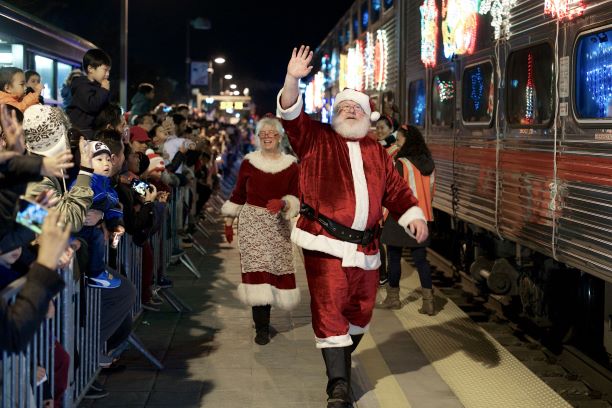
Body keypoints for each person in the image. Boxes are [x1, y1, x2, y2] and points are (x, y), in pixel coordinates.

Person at [277, 46, 428, 408]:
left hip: (367, 248)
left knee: (359, 314)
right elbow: (291, 114)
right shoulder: (315, 139)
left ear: (367, 116)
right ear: (334, 114)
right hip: (324, 243)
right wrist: (292, 78)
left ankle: (341, 363)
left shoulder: (377, 151)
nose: (348, 111)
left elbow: (395, 189)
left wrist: (413, 214)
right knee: (330, 309)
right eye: (343, 107)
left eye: (355, 108)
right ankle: (338, 388)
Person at [221, 116, 301, 346]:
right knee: (257, 273)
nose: (267, 137)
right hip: (252, 222)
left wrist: (285, 203)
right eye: (263, 133)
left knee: (274, 270)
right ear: (258, 137)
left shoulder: (290, 164)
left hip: (278, 224)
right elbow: (238, 194)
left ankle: (266, 318)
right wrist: (229, 220)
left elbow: (296, 196)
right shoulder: (249, 162)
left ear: (279, 136)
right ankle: (262, 327)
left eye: (271, 133)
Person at [378, 125, 436, 314]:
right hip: (421, 216)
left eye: (400, 139)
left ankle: (393, 299)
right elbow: (431, 192)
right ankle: (429, 302)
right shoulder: (429, 164)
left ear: (407, 140)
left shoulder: (401, 163)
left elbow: (393, 193)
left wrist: (383, 214)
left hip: (400, 217)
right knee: (421, 260)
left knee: (394, 258)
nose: (397, 142)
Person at [74, 140, 125, 289]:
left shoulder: (108, 183)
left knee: (100, 239)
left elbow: (114, 206)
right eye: (100, 159)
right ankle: (96, 274)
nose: (107, 163)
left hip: (92, 233)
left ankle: (99, 272)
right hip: (77, 232)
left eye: (108, 159)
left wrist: (116, 222)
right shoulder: (85, 182)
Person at [66, 49, 111, 138]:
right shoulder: (81, 86)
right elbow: (92, 106)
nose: (107, 74)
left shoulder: (99, 86)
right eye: (105, 70)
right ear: (90, 69)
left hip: (92, 131)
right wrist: (104, 90)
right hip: (81, 132)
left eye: (109, 71)